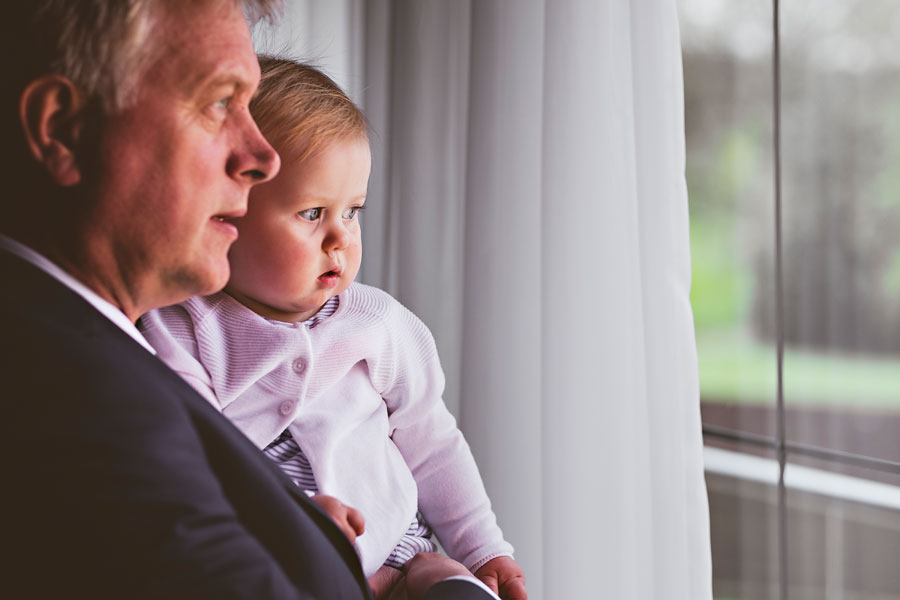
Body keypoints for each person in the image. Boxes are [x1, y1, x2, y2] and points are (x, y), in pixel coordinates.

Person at [0, 2, 502, 598]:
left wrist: (479, 551)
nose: (262, 158)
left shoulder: (99, 358)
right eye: (219, 103)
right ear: (63, 128)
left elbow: (432, 435)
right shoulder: (77, 401)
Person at [140, 57, 528, 600]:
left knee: (448, 586)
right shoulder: (185, 328)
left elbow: (432, 441)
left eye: (353, 211)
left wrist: (484, 549)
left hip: (404, 550)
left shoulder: (377, 322)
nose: (339, 239)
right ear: (227, 212)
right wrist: (287, 517)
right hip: (288, 557)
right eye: (310, 213)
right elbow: (200, 462)